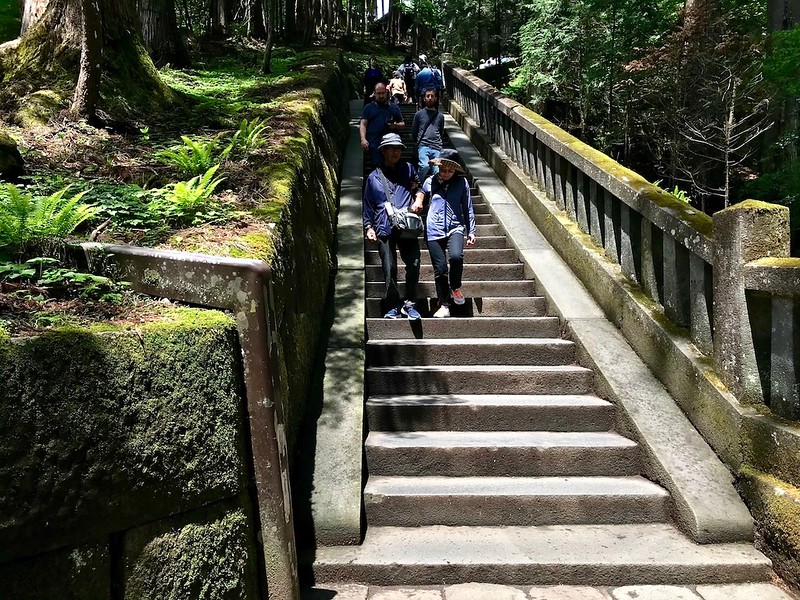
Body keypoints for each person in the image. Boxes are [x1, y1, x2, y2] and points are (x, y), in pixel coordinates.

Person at [363, 133, 422, 320]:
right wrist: (368, 227)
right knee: (389, 267)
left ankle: (410, 303)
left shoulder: (409, 169)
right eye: (392, 148)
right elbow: (368, 204)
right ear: (383, 151)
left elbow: (419, 188)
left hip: (406, 224)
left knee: (414, 263)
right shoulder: (373, 177)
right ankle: (393, 305)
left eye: (398, 148)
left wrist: (419, 199)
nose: (396, 151)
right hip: (384, 224)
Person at [415, 149, 476, 318]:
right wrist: (418, 200)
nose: (446, 173)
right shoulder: (430, 181)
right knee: (440, 269)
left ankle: (455, 286)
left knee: (456, 257)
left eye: (450, 170)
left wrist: (472, 231)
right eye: (443, 169)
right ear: (439, 168)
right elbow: (421, 192)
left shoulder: (462, 183)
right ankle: (444, 304)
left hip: (455, 227)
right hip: (433, 229)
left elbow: (468, 208)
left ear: (455, 170)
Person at [360, 82, 405, 168]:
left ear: (386, 92)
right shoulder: (368, 108)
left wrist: (395, 125)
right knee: (377, 166)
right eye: (378, 93)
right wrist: (363, 139)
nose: (381, 96)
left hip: (391, 144)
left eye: (383, 93)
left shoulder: (394, 107)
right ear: (374, 93)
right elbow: (363, 124)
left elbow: (402, 124)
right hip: (374, 144)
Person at [411, 88, 445, 184]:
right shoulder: (419, 114)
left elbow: (441, 131)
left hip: (437, 147)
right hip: (423, 146)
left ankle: (432, 188)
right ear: (424, 98)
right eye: (427, 96)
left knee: (436, 170)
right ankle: (419, 184)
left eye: (432, 96)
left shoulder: (440, 116)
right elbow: (414, 131)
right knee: (424, 166)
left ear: (436, 98)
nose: (430, 98)